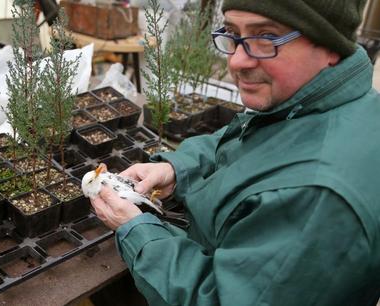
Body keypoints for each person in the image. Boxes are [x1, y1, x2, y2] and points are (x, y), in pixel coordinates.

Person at [90, 0, 380, 305]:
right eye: (232, 33)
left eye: (265, 37)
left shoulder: (317, 198)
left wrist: (137, 232)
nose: (237, 61)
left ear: (330, 45)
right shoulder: (318, 103)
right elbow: (247, 139)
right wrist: (178, 168)